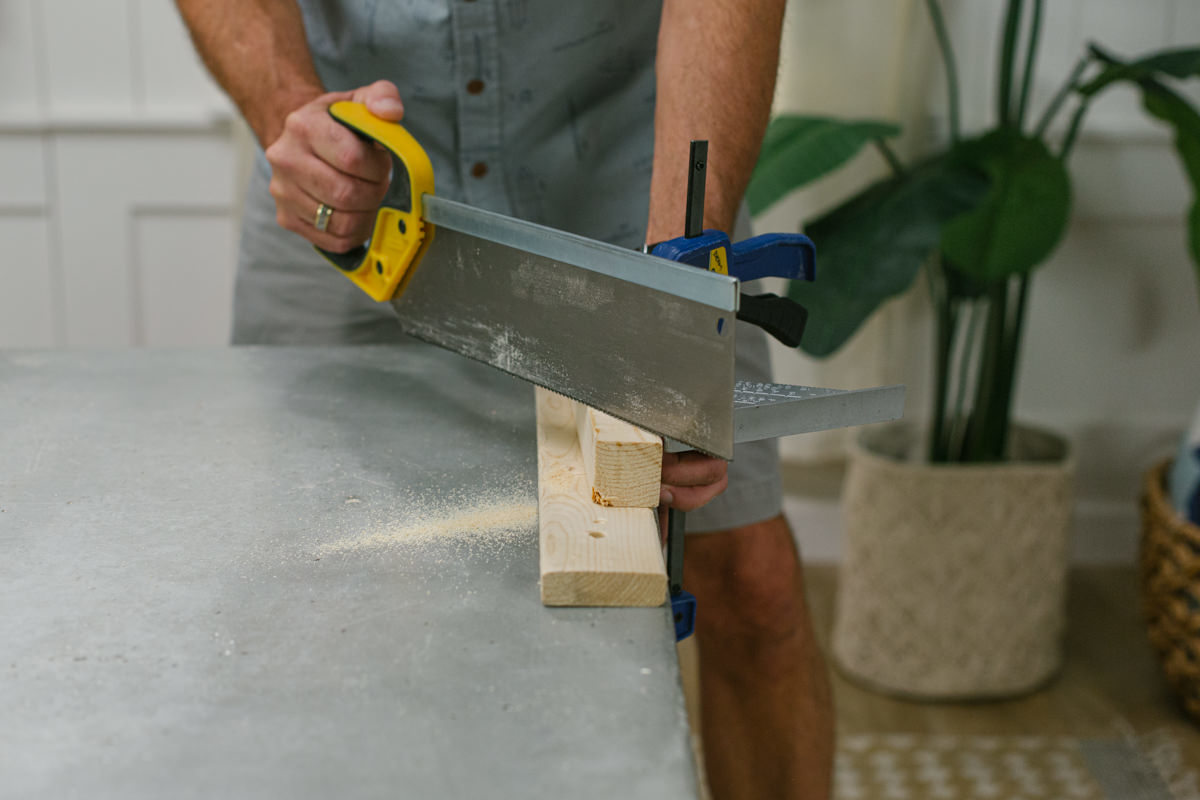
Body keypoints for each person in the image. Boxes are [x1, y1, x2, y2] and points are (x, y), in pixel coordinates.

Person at [176, 2, 832, 797]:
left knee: (749, 590)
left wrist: (669, 306)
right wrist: (293, 114)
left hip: (633, 154)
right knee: (318, 598)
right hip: (357, 181)